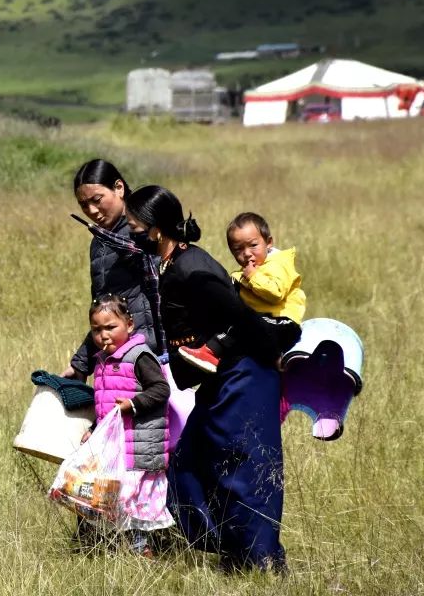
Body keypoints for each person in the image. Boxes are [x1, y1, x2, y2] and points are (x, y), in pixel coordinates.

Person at [125, 186, 286, 573]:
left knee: (244, 469)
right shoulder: (170, 264)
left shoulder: (193, 268)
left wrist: (275, 352)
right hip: (220, 379)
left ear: (156, 229)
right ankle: (233, 551)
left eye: (134, 227)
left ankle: (263, 563)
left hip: (245, 376)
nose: (131, 233)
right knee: (190, 464)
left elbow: (242, 318)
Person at [85, 294, 174, 557]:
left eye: (111, 327)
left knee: (131, 498)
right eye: (97, 330)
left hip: (136, 445)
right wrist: (94, 428)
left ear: (130, 325)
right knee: (116, 498)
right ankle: (129, 548)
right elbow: (104, 404)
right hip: (115, 446)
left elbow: (160, 389)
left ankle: (141, 549)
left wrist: (133, 405)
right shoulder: (101, 360)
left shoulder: (139, 356)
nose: (104, 336)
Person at [62, 159, 161, 383]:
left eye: (97, 200)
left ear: (119, 188)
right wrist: (80, 364)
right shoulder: (99, 243)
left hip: (150, 360)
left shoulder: (147, 230)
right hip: (118, 360)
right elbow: (106, 310)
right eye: (84, 205)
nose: (92, 211)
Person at [178, 212, 306, 373]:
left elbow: (276, 293)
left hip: (283, 324)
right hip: (263, 322)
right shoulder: (245, 272)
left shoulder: (278, 264)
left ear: (269, 243)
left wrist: (252, 277)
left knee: (241, 325)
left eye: (253, 245)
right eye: (238, 249)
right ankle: (213, 355)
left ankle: (211, 353)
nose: (246, 253)